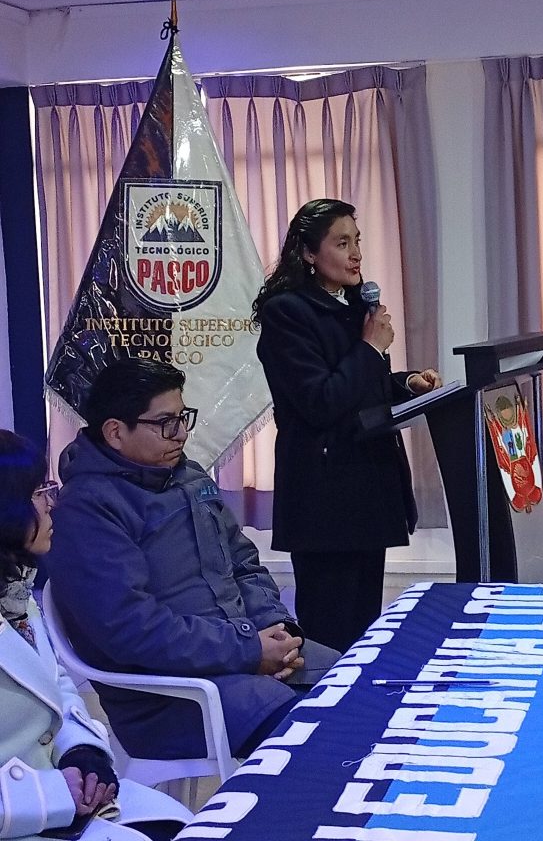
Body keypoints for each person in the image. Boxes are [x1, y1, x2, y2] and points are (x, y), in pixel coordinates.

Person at [45, 360, 339, 764]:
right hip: (169, 695)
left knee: (360, 685)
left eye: (183, 418)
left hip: (238, 655)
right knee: (318, 740)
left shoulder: (190, 477)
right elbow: (134, 629)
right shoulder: (87, 512)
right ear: (115, 432)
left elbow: (243, 563)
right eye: (166, 423)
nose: (181, 433)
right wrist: (248, 650)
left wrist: (276, 629)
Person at [253, 198, 442, 653]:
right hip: (325, 500)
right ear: (308, 253)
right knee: (332, 634)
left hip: (368, 488)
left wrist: (406, 383)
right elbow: (320, 402)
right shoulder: (287, 314)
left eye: (357, 241)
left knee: (364, 631)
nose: (356, 254)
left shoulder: (355, 307)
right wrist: (371, 348)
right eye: (342, 243)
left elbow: (359, 389)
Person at [0, 429, 190, 841]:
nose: (52, 503)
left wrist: (82, 752)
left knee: (185, 825)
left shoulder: (14, 590)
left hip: (61, 799)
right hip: (23, 815)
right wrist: (49, 793)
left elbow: (55, 686)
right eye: (38, 493)